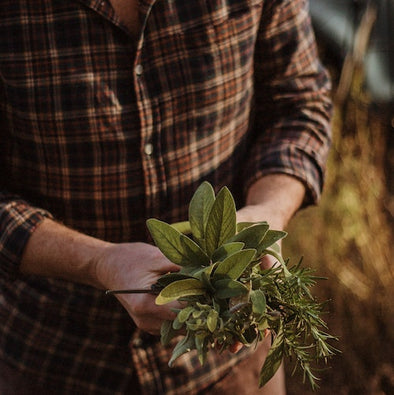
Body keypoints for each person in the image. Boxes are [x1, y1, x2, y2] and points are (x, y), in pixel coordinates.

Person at [0, 0, 332, 393]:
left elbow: (299, 104)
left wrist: (268, 212)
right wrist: (99, 261)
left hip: (230, 359)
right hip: (57, 359)